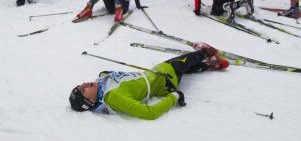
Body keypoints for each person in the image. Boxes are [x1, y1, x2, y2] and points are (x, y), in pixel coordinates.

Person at [68, 42, 228, 119]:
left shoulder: (101, 86)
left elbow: (105, 73)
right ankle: (206, 52)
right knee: (185, 61)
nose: (83, 84)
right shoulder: (113, 98)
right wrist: (174, 98)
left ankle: (205, 66)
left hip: (159, 76)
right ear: (89, 101)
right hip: (163, 77)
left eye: (80, 85)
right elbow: (149, 113)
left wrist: (105, 74)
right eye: (82, 90)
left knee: (183, 68)